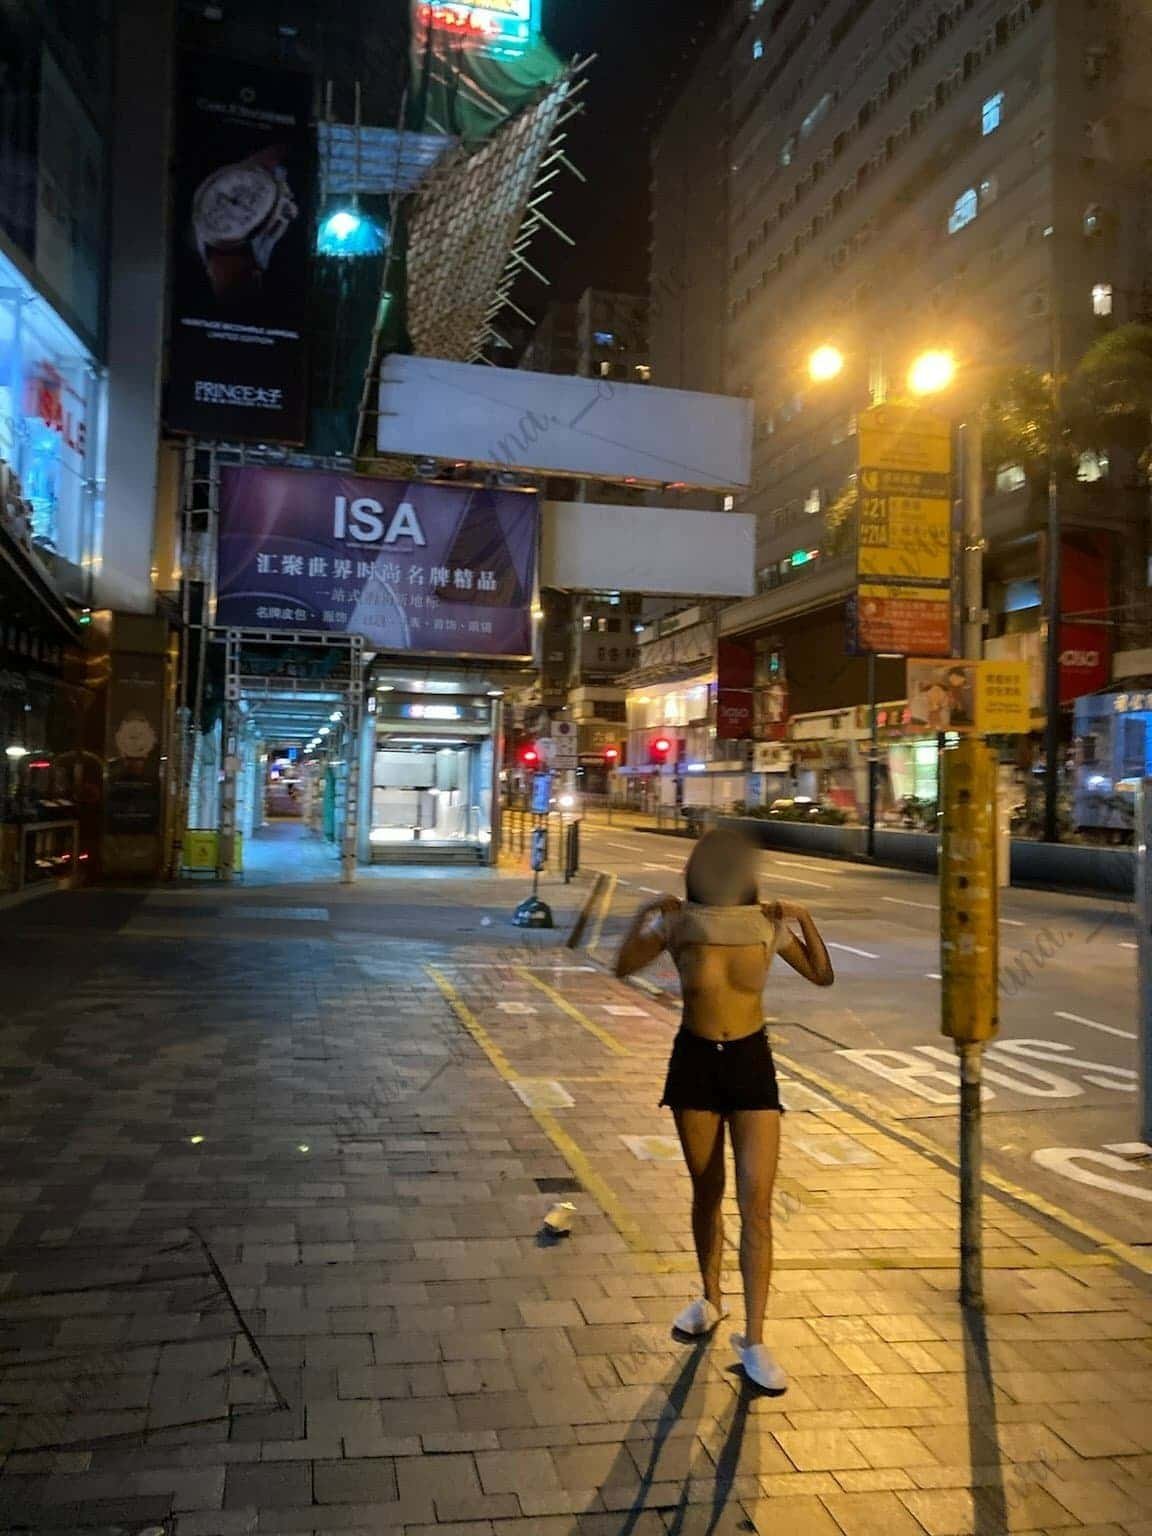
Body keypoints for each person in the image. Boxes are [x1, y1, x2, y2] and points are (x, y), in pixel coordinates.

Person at [615, 827, 833, 1392]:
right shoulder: (681, 923)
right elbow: (622, 965)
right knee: (706, 1188)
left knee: (756, 1204)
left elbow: (821, 974)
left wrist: (803, 918)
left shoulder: (764, 925)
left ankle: (756, 1339)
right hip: (694, 1062)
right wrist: (644, 910)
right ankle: (710, 1298)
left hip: (750, 1062)